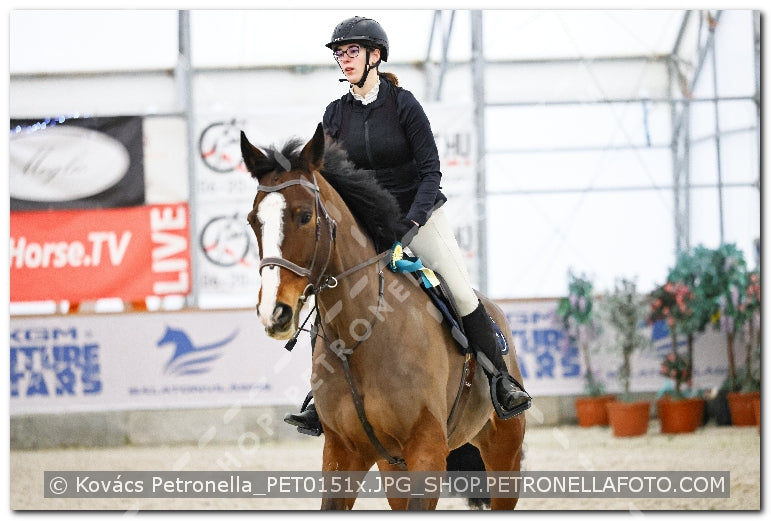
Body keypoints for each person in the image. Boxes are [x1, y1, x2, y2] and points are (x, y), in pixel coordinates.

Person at [284, 15, 531, 435]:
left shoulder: (403, 105)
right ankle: (318, 396)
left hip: (421, 216)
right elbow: (332, 179)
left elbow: (431, 171)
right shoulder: (334, 114)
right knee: (332, 299)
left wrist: (411, 224)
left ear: (375, 56)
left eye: (352, 52)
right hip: (368, 227)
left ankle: (499, 380)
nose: (344, 60)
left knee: (457, 288)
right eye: (340, 53)